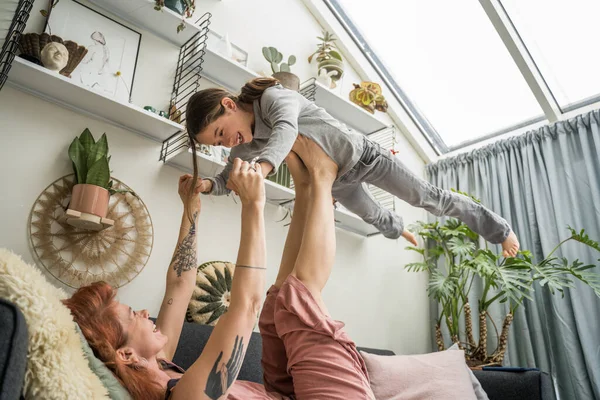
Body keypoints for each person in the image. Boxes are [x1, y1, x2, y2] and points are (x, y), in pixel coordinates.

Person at [63, 137, 375, 399]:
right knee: (296, 298)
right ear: (126, 355)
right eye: (134, 316)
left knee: (278, 302)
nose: (144, 313)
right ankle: (323, 174)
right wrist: (253, 205)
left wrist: (190, 210)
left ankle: (304, 187)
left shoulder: (160, 365)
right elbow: (246, 306)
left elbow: (181, 285)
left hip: (281, 393)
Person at [185, 78, 520, 257]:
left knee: (428, 198)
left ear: (228, 105)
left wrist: (265, 168)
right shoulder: (244, 144)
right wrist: (209, 186)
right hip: (337, 182)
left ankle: (500, 230)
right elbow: (228, 175)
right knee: (372, 215)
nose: (226, 143)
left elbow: (286, 129)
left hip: (365, 156)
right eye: (216, 144)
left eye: (220, 133)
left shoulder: (272, 98)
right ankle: (398, 229)